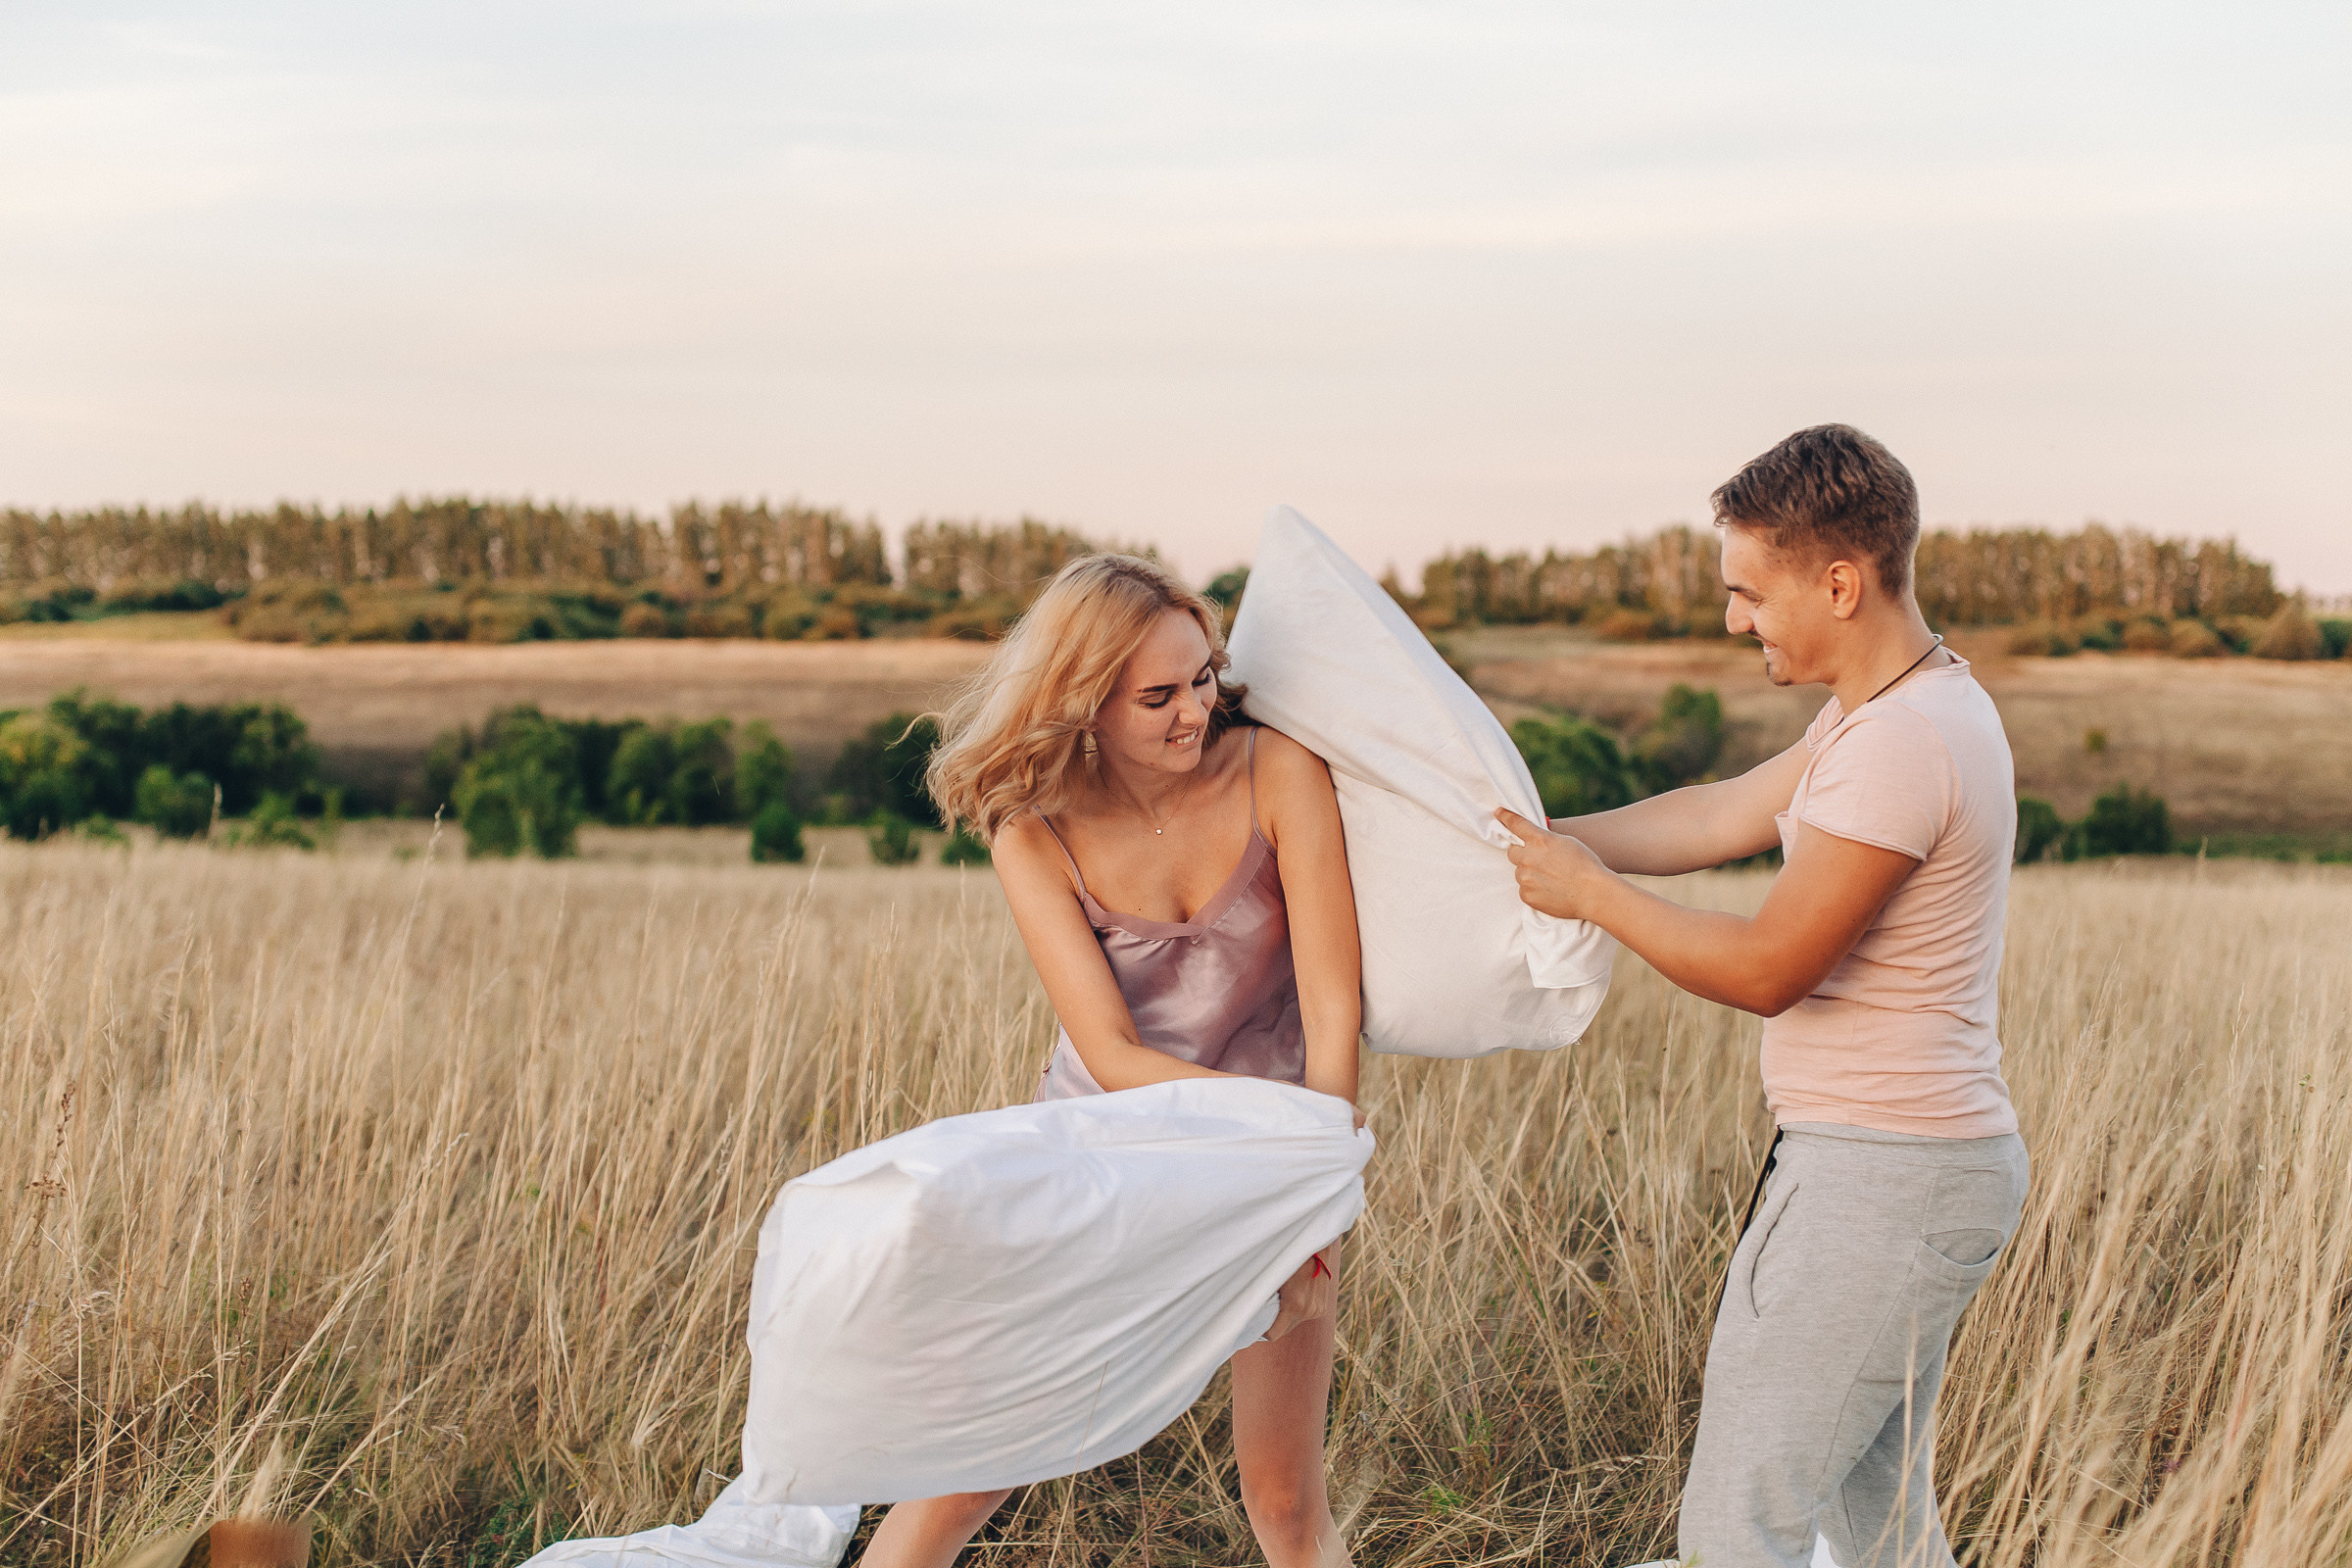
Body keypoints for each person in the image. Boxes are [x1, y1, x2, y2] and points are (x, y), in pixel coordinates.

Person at [1496, 425, 2029, 1568]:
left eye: (1750, 592)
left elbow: (1768, 967)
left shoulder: (1903, 742)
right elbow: (1717, 815)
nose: (1736, 620)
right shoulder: (1890, 711)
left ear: (1840, 583)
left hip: (1882, 1178)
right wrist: (1532, 842)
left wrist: (1591, 898)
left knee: (1741, 1526)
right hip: (1911, 1168)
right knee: (1876, 1526)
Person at [872, 553, 1365, 1568]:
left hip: (1269, 1169)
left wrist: (1313, 1195)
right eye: (1158, 696)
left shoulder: (1277, 770)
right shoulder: (1031, 828)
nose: (1194, 711)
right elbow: (1108, 1049)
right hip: (1105, 1150)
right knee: (973, 1469)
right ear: (1082, 704)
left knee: (1282, 1498)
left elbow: (1332, 1005)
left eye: (1203, 678)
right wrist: (1280, 1128)